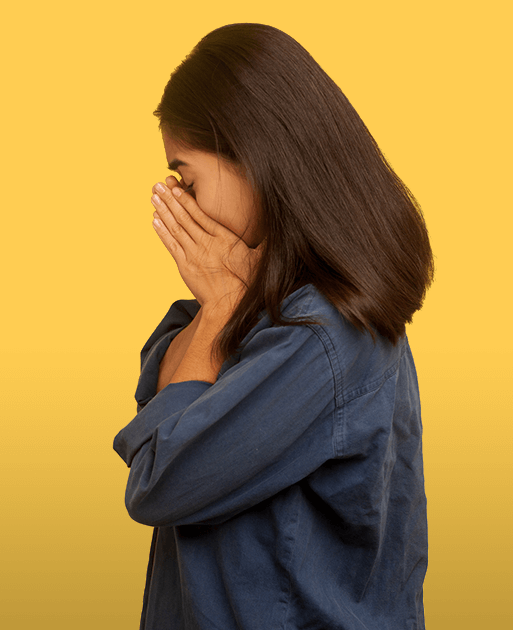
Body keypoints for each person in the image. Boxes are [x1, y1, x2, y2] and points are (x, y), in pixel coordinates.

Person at [112, 23, 434, 629]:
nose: (175, 202)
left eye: (186, 179)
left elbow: (158, 479)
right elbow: (158, 415)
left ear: (252, 156)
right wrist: (219, 310)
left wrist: (216, 311)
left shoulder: (325, 335)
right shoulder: (259, 310)